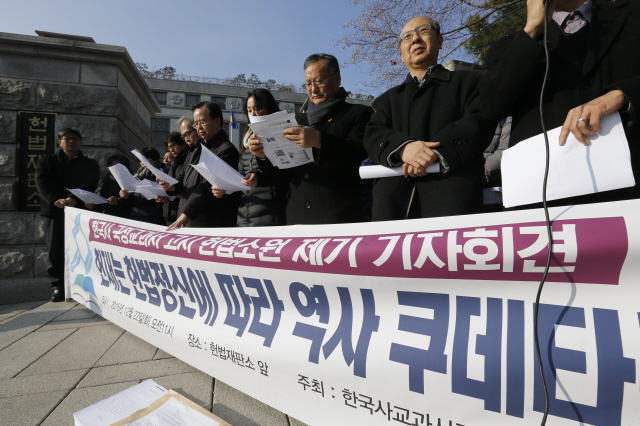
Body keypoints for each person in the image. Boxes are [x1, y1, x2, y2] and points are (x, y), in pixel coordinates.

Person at [480, 0, 640, 205]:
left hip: (631, 185)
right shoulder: (508, 48)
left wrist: (623, 94)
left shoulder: (632, 14)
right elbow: (489, 107)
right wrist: (532, 31)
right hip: (545, 197)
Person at [363, 17, 496, 220]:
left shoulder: (470, 82)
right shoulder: (386, 101)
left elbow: (479, 122)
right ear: (401, 54)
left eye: (423, 31)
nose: (415, 39)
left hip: (452, 199)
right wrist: (403, 148)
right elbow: (372, 135)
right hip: (393, 207)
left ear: (440, 41)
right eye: (406, 36)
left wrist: (432, 154)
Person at [248, 53, 373, 224]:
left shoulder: (358, 114)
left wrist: (320, 141)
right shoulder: (298, 121)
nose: (313, 89)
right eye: (308, 83)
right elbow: (285, 174)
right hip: (297, 217)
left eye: (319, 81)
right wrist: (263, 155)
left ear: (337, 79)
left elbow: (359, 154)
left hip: (338, 217)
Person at [35, 128, 100, 302]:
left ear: (81, 143)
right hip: (54, 212)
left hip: (79, 212)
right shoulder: (47, 160)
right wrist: (55, 199)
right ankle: (58, 286)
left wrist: (73, 198)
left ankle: (81, 285)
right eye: (67, 139)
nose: (71, 141)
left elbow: (90, 182)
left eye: (75, 139)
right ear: (60, 142)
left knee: (81, 249)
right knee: (55, 250)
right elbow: (41, 182)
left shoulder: (90, 164)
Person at [213, 89, 288, 226]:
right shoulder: (247, 138)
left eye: (258, 108)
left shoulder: (282, 133)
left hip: (270, 216)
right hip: (244, 216)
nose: (253, 114)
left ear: (269, 108)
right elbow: (241, 177)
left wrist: (262, 165)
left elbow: (284, 175)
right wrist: (224, 187)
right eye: (249, 110)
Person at [162, 102, 239, 228]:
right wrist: (171, 186)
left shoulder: (226, 150)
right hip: (188, 219)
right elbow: (185, 178)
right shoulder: (198, 149)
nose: (199, 128)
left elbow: (207, 185)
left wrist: (186, 213)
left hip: (209, 223)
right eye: (196, 124)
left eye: (202, 122)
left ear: (217, 121)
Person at [119, 146, 166, 225]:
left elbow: (159, 191)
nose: (142, 162)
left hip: (152, 214)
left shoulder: (160, 171)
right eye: (140, 160)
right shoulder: (139, 173)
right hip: (136, 213)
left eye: (146, 159)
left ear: (154, 158)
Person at [160, 131, 188, 224]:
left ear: (183, 144)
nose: (171, 149)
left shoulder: (188, 160)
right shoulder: (173, 164)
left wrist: (174, 188)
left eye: (173, 145)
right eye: (169, 147)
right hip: (169, 214)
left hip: (183, 214)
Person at [100, 153, 133, 218]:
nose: (114, 169)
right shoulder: (106, 183)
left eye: (118, 167)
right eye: (112, 166)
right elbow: (102, 204)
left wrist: (119, 201)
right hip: (108, 219)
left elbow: (133, 205)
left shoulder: (132, 182)